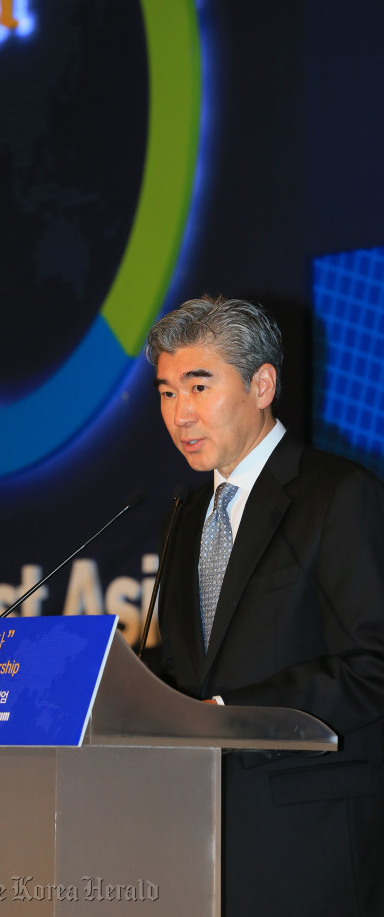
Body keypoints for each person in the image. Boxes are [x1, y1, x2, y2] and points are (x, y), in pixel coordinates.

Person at [146, 295, 384, 917]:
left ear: (262, 384)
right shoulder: (186, 515)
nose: (180, 414)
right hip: (198, 849)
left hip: (311, 846)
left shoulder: (338, 494)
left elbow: (375, 663)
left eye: (198, 386)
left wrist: (230, 718)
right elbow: (186, 674)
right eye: (167, 392)